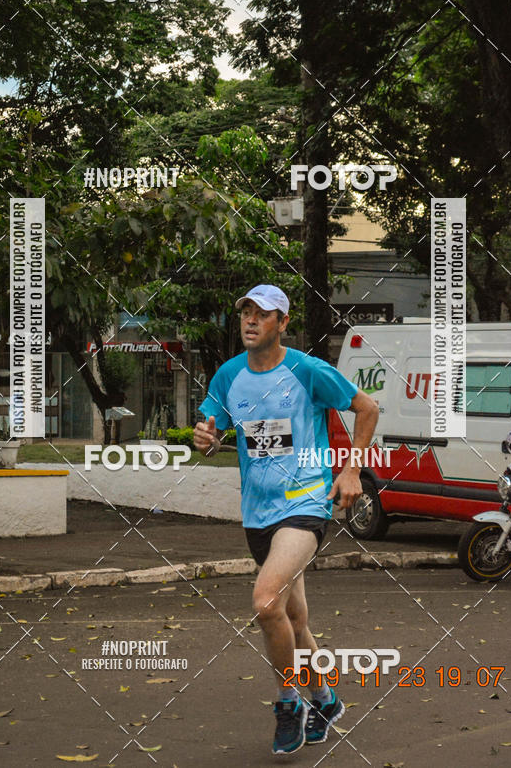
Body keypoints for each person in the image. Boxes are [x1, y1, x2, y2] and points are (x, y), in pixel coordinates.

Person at [193, 284, 379, 754]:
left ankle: (288, 701)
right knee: (293, 621)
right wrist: (207, 439)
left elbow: (367, 407)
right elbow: (214, 432)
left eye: (262, 314)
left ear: (282, 323)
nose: (250, 321)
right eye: (245, 313)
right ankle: (325, 697)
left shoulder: (306, 370)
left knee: (264, 602)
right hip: (257, 512)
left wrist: (351, 469)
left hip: (306, 503)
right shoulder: (228, 375)